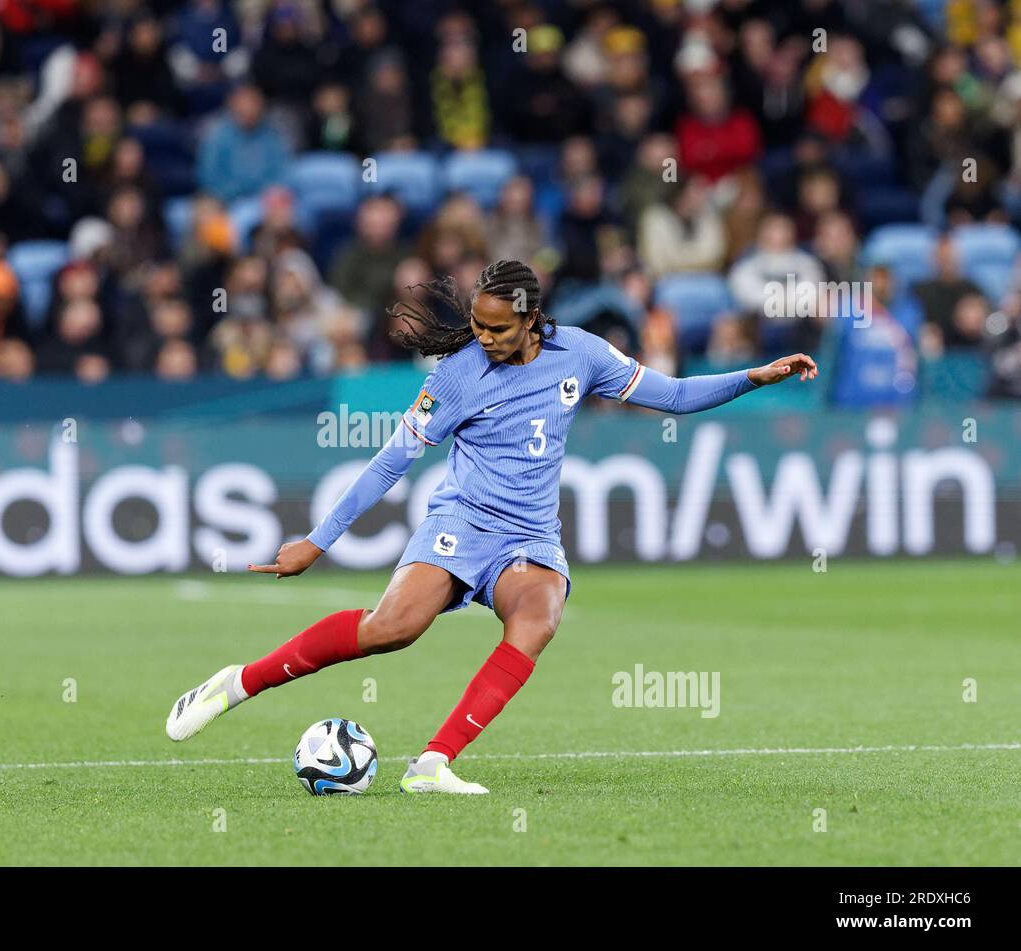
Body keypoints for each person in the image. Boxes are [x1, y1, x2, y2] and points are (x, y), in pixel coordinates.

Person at [163, 259, 820, 794]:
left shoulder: (582, 355)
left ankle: (433, 764)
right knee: (392, 630)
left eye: (498, 329)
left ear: (532, 321)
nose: (484, 337)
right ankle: (238, 682)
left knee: (539, 616)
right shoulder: (455, 378)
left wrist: (754, 378)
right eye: (477, 325)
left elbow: (672, 396)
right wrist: (317, 540)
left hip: (530, 535)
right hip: (463, 522)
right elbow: (390, 462)